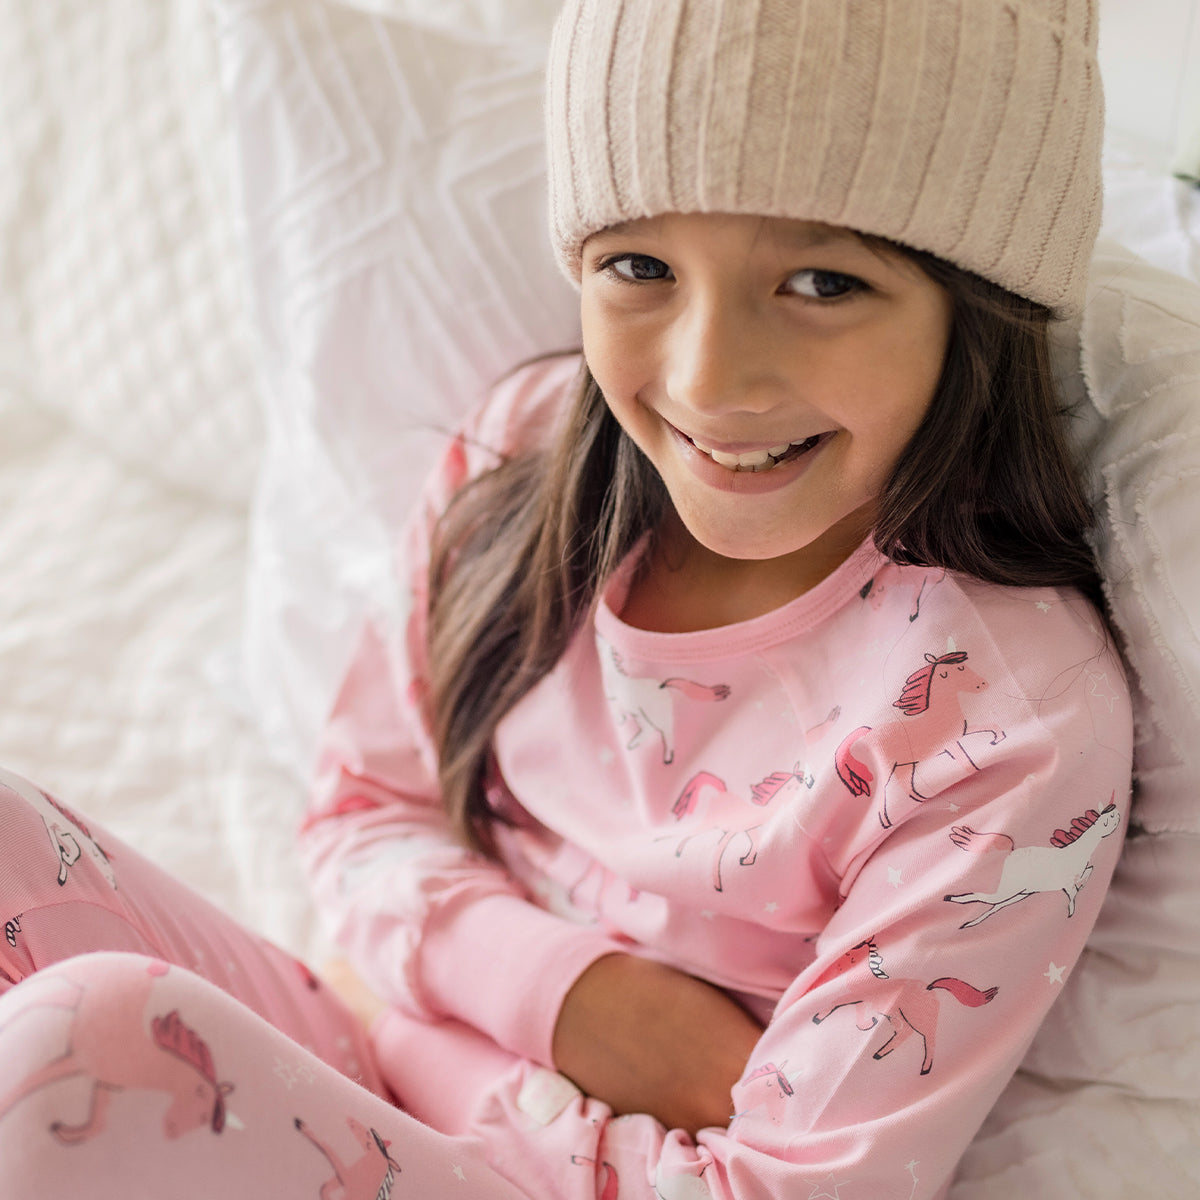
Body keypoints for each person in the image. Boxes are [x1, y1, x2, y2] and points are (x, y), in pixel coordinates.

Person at [0, 1, 1132, 1197]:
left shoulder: (1000, 726)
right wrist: (573, 1002)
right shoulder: (522, 457)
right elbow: (356, 812)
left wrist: (406, 1025)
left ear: (979, 304)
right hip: (368, 1059)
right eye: (639, 266)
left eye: (821, 280)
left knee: (87, 1048)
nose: (707, 378)